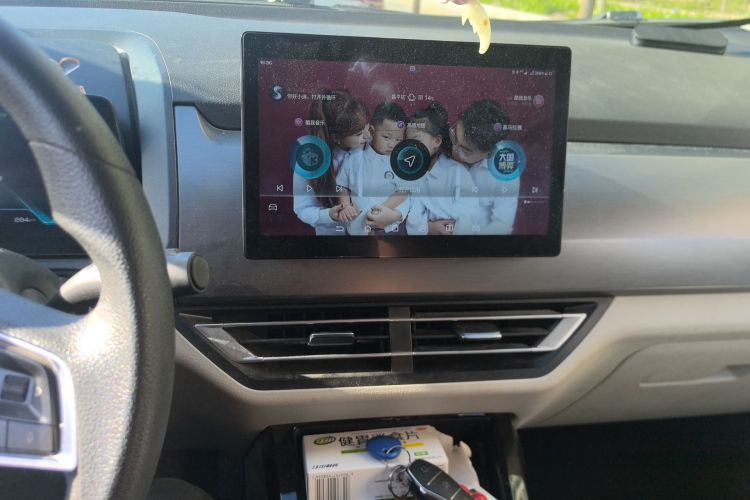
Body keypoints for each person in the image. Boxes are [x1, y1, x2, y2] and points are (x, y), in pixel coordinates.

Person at [292, 89, 370, 235]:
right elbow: (302, 208)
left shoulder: (370, 147)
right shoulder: (309, 158)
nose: (367, 136)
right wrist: (329, 215)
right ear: (336, 138)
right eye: (359, 134)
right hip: (332, 236)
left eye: (366, 127)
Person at [335, 102, 411, 235]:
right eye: (386, 137)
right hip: (357, 227)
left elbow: (403, 191)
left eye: (398, 139)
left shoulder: (400, 162)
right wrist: (345, 206)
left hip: (389, 228)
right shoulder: (354, 157)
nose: (392, 144)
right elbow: (342, 185)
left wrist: (383, 209)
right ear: (371, 130)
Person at [404, 101, 478, 236]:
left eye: (417, 141)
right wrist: (429, 227)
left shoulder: (457, 172)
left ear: (437, 141)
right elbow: (413, 217)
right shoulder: (414, 175)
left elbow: (468, 213)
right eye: (408, 142)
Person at [451, 99, 518, 235]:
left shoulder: (505, 170)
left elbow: (502, 225)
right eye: (454, 137)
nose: (454, 149)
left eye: (465, 150)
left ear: (488, 154)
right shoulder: (441, 140)